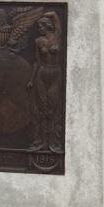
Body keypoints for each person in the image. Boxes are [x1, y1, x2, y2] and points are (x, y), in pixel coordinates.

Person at [27, 11, 63, 151]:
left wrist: (45, 14)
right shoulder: (38, 42)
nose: (39, 30)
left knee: (52, 111)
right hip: (42, 73)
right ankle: (43, 141)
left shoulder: (57, 37)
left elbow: (55, 15)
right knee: (42, 111)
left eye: (40, 27)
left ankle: (53, 142)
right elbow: (37, 61)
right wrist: (31, 79)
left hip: (55, 74)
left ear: (47, 27)